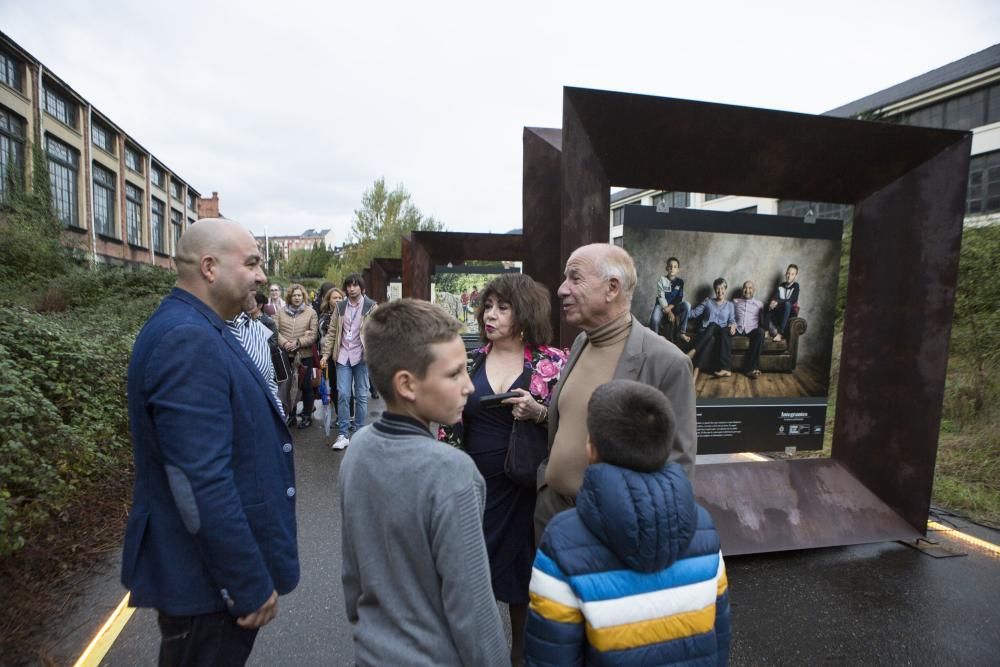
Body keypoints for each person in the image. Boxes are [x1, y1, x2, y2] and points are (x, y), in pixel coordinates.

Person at [121, 218, 298, 666]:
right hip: (206, 586)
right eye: (253, 263)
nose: (262, 275)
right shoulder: (188, 338)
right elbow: (199, 480)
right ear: (209, 267)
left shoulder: (201, 326)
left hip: (206, 579)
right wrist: (246, 582)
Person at [339, 299, 507, 666]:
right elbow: (474, 608)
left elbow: (353, 576)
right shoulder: (452, 471)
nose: (469, 387)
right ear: (407, 385)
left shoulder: (358, 449)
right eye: (454, 374)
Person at [524, 380, 731, 666]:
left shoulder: (563, 539)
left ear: (591, 449)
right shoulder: (703, 527)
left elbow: (551, 656)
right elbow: (718, 637)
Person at [438, 274, 567, 665]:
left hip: (527, 492)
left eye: (502, 307)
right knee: (466, 589)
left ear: (524, 312)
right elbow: (449, 422)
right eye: (487, 307)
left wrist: (539, 411)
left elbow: (571, 423)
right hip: (474, 490)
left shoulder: (552, 361)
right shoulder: (469, 358)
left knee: (523, 595)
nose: (490, 315)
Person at [534, 243, 696, 542]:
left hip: (611, 529)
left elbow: (678, 463)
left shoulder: (667, 362)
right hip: (551, 513)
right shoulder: (582, 342)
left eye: (575, 278)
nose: (561, 289)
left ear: (612, 288)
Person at [320, 274, 377, 450]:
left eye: (355, 285)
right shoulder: (341, 306)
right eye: (349, 286)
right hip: (343, 355)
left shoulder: (371, 306)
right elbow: (332, 332)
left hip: (361, 357)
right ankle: (343, 433)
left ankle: (359, 432)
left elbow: (379, 332)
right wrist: (325, 354)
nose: (352, 289)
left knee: (361, 395)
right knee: (343, 394)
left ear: (361, 287)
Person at [276, 283, 318, 428]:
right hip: (285, 355)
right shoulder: (280, 312)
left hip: (304, 355)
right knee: (287, 387)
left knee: (306, 386)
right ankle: (291, 415)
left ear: (303, 296)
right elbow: (275, 331)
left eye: (299, 295)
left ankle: (307, 415)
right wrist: (285, 343)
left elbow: (313, 335)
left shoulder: (311, 312)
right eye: (294, 295)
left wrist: (298, 342)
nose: (297, 298)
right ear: (289, 296)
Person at [689, 278, 737, 382]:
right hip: (706, 332)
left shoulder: (730, 305)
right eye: (717, 289)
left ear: (725, 289)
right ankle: (695, 372)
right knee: (710, 337)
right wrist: (681, 311)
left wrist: (733, 325)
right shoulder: (708, 301)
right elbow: (694, 313)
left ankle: (693, 351)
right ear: (714, 290)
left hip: (721, 333)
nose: (720, 291)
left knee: (714, 325)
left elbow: (732, 320)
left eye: (722, 288)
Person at [649, 256, 691, 343]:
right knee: (654, 319)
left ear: (678, 269)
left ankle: (681, 332)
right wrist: (668, 311)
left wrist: (670, 308)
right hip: (661, 306)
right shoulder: (661, 280)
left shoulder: (680, 282)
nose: (672, 268)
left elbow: (679, 298)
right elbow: (661, 297)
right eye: (670, 266)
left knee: (687, 305)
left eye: (675, 267)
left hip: (674, 306)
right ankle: (654, 339)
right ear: (666, 268)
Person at [733, 280, 766, 378]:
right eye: (745, 288)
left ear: (754, 290)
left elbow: (764, 320)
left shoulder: (759, 304)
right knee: (723, 331)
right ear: (742, 289)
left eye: (750, 288)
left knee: (760, 332)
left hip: (752, 330)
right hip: (737, 329)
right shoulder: (735, 301)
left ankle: (751, 369)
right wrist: (731, 324)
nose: (747, 290)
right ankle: (723, 367)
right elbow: (729, 316)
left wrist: (770, 330)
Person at [766, 264, 800, 343]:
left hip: (790, 313)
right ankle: (767, 330)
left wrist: (778, 301)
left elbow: (792, 300)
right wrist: (773, 302)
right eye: (788, 273)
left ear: (795, 276)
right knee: (769, 304)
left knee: (787, 304)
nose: (789, 276)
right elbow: (775, 298)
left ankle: (780, 333)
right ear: (786, 273)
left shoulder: (796, 286)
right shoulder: (781, 286)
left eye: (792, 274)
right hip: (780, 313)